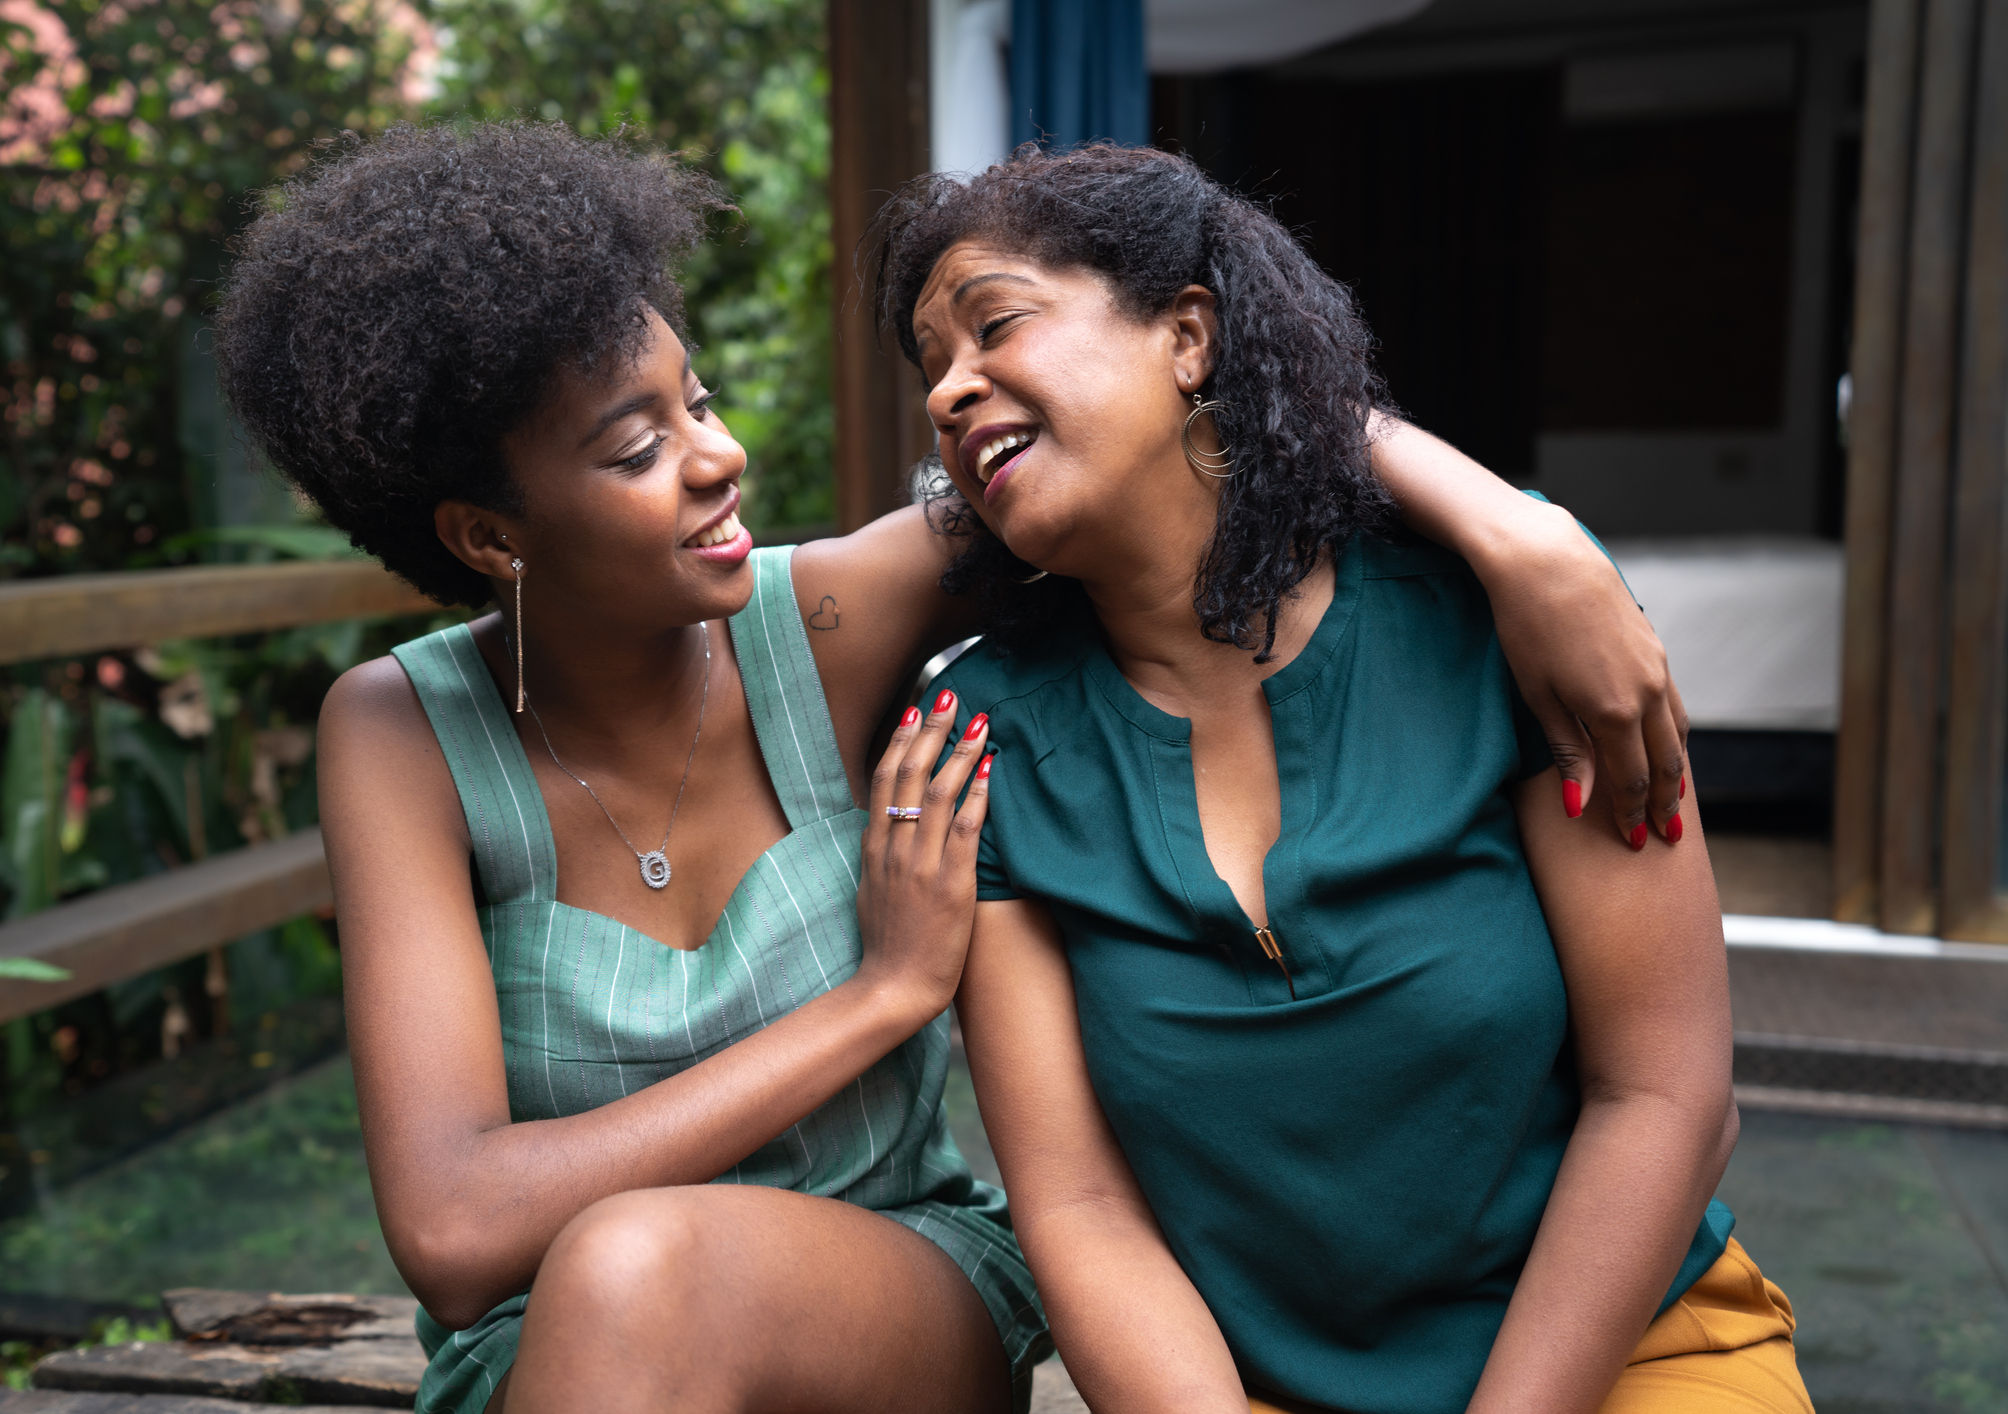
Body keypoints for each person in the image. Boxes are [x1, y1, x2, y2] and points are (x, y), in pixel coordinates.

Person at [214, 122, 1701, 1414]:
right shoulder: (400, 732)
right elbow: (461, 1229)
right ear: (487, 536)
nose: (717, 459)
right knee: (622, 1273)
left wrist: (1521, 531)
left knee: (639, 1256)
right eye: (634, 448)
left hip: (887, 1299)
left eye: (702, 401)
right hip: (564, 1347)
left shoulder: (836, 625)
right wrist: (880, 997)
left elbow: (1168, 446)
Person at [879, 144, 1812, 1414]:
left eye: (993, 324)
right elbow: (1082, 1206)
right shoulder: (979, 734)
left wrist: (1517, 531)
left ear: (1187, 337)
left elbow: (1663, 1094)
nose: (947, 391)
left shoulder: (1493, 621)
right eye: (929, 367)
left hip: (1627, 1359)